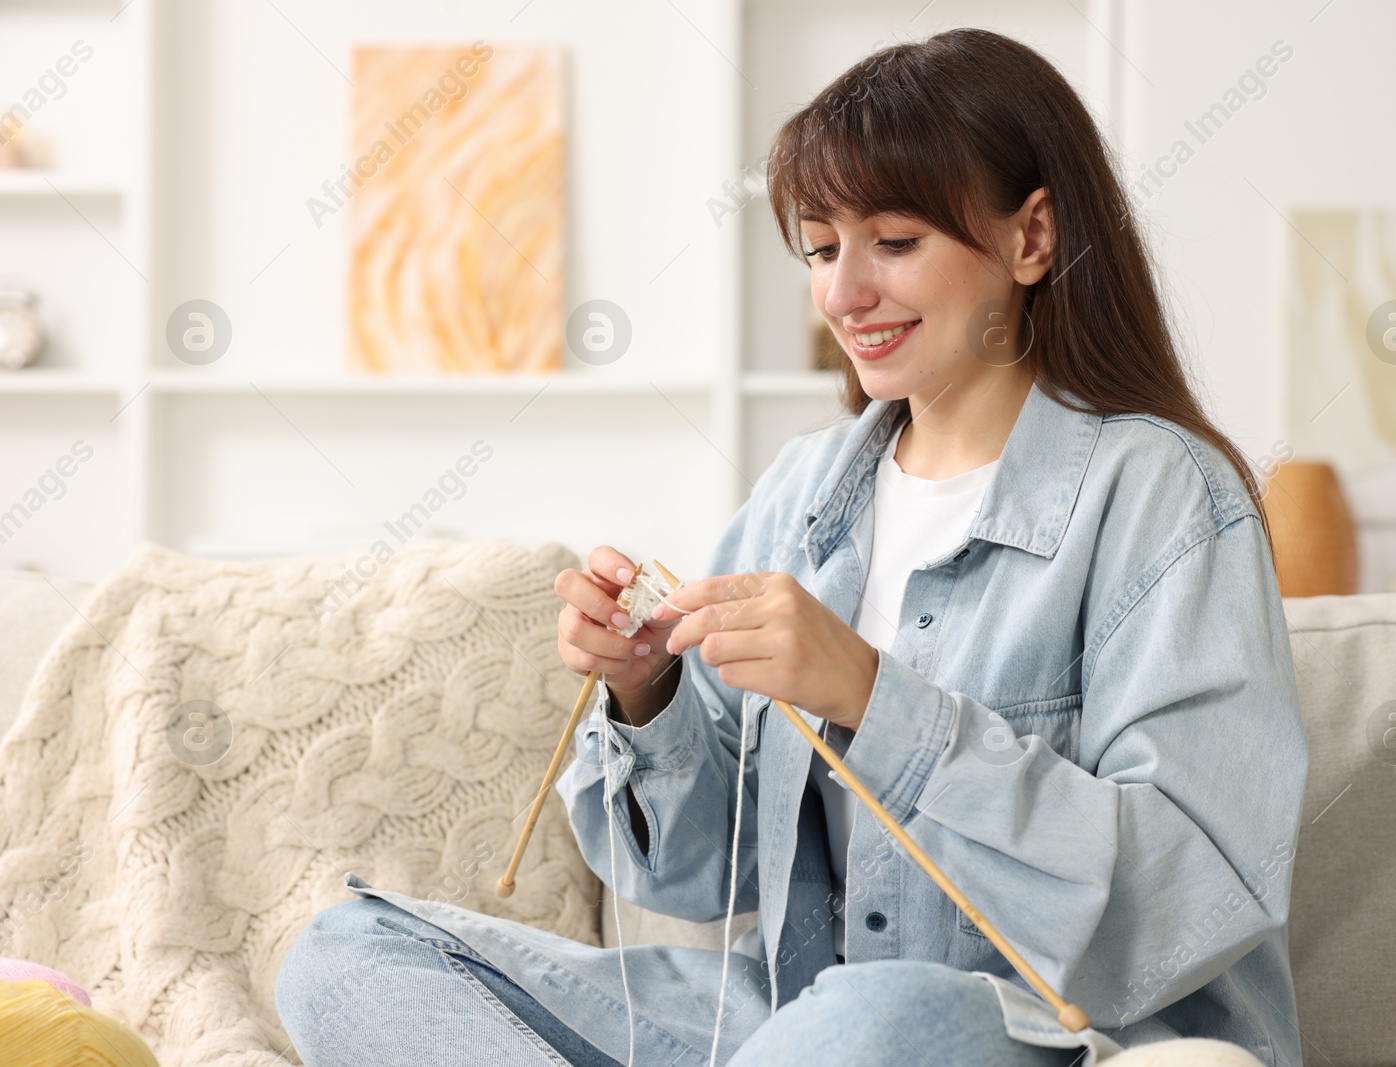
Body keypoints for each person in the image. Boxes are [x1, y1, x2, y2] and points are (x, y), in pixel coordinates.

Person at [277, 27, 1308, 1067]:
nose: (842, 294)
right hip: (783, 1020)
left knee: (869, 1014)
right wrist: (649, 696)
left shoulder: (1163, 493)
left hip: (1036, 1029)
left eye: (894, 242)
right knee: (346, 951)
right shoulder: (804, 493)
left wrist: (875, 696)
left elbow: (1191, 895)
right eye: (821, 249)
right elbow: (689, 877)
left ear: (1031, 238)